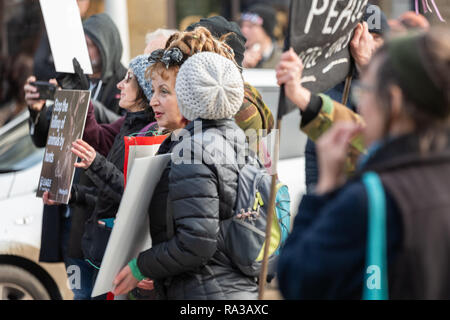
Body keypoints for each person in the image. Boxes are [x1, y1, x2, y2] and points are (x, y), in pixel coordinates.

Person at [276, 28, 450, 299]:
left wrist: (326, 188)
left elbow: (296, 279)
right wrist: (301, 95)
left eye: (365, 90)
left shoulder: (369, 201)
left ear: (392, 101)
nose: (361, 103)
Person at [113, 51, 259, 300]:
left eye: (165, 91)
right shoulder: (237, 138)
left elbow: (197, 242)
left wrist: (141, 266)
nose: (152, 101)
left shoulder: (192, 149)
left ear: (189, 97)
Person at [42, 54, 155, 299]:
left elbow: (132, 196)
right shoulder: (126, 123)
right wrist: (71, 195)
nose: (119, 85)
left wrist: (96, 163)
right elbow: (95, 137)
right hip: (93, 245)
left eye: (129, 79)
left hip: (118, 253)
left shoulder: (150, 134)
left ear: (146, 92)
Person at [304, 5, 390, 193]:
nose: (370, 44)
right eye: (362, 37)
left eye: (377, 38)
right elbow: (314, 151)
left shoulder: (393, 87)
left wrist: (366, 66)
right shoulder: (329, 85)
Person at [240, 3, 282, 69]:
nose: (243, 30)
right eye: (242, 26)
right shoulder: (236, 56)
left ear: (266, 30)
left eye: (250, 26)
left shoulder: (282, 59)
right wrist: (240, 65)